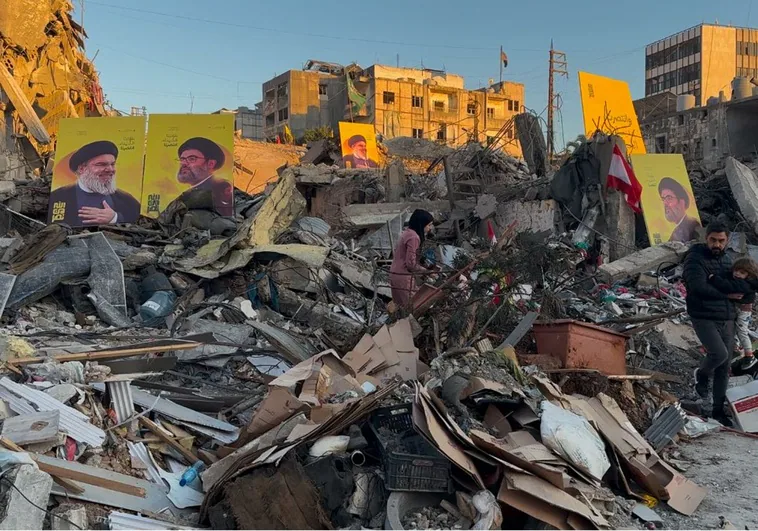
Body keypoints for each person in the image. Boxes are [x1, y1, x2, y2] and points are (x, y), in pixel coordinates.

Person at [683, 221, 743, 426]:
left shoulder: (728, 260)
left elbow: (738, 284)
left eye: (721, 241)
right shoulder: (694, 259)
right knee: (719, 354)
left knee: (724, 365)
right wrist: (728, 294)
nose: (716, 244)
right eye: (713, 240)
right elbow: (698, 287)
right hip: (703, 315)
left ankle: (717, 411)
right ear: (706, 238)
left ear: (727, 241)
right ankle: (701, 375)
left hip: (727, 317)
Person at [48, 140, 141, 226]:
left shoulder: (126, 199)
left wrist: (114, 218)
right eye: (101, 164)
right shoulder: (59, 196)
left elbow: (140, 223)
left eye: (112, 164)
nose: (110, 169)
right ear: (81, 169)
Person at [708, 257, 758, 372]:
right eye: (736, 270)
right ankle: (734, 349)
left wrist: (714, 279)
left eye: (742, 272)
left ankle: (749, 355)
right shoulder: (740, 279)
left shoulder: (745, 284)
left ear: (749, 275)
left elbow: (728, 286)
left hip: (743, 311)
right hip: (737, 309)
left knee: (742, 332)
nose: (737, 274)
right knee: (733, 330)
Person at [176, 137, 234, 216]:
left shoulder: (220, 189)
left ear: (211, 164)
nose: (184, 163)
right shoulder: (190, 192)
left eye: (192, 159)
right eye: (182, 159)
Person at [390, 209, 434, 309]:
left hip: (395, 274)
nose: (429, 228)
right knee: (412, 308)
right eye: (428, 225)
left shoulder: (407, 232)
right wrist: (426, 271)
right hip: (403, 276)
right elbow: (410, 264)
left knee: (400, 307)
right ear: (421, 224)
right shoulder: (414, 237)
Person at [658, 177, 701, 242]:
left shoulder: (692, 224)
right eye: (663, 199)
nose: (665, 203)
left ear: (682, 202)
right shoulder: (677, 228)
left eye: (669, 198)